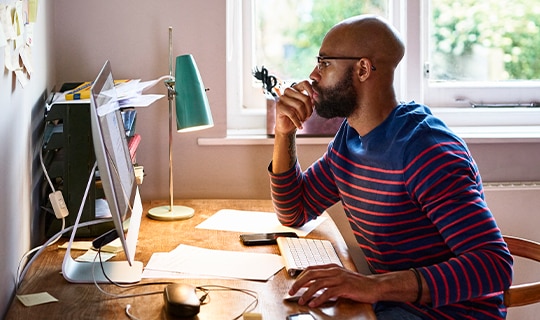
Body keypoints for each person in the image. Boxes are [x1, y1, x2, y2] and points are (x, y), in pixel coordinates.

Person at [268, 15, 513, 319]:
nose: (313, 75)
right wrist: (284, 131)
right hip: (392, 308)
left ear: (362, 69)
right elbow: (295, 211)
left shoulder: (426, 151)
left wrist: (373, 286)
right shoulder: (350, 138)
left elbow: (494, 265)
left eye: (324, 63)